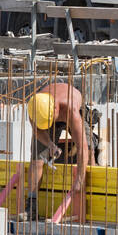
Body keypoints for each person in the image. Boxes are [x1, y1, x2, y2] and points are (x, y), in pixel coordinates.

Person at [25, 81, 95, 218]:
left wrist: (79, 179)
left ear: (56, 111)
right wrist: (50, 144)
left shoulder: (71, 109)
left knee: (90, 149)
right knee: (36, 159)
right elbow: (37, 130)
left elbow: (82, 148)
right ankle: (31, 205)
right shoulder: (35, 108)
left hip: (73, 110)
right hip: (48, 111)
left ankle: (94, 197)